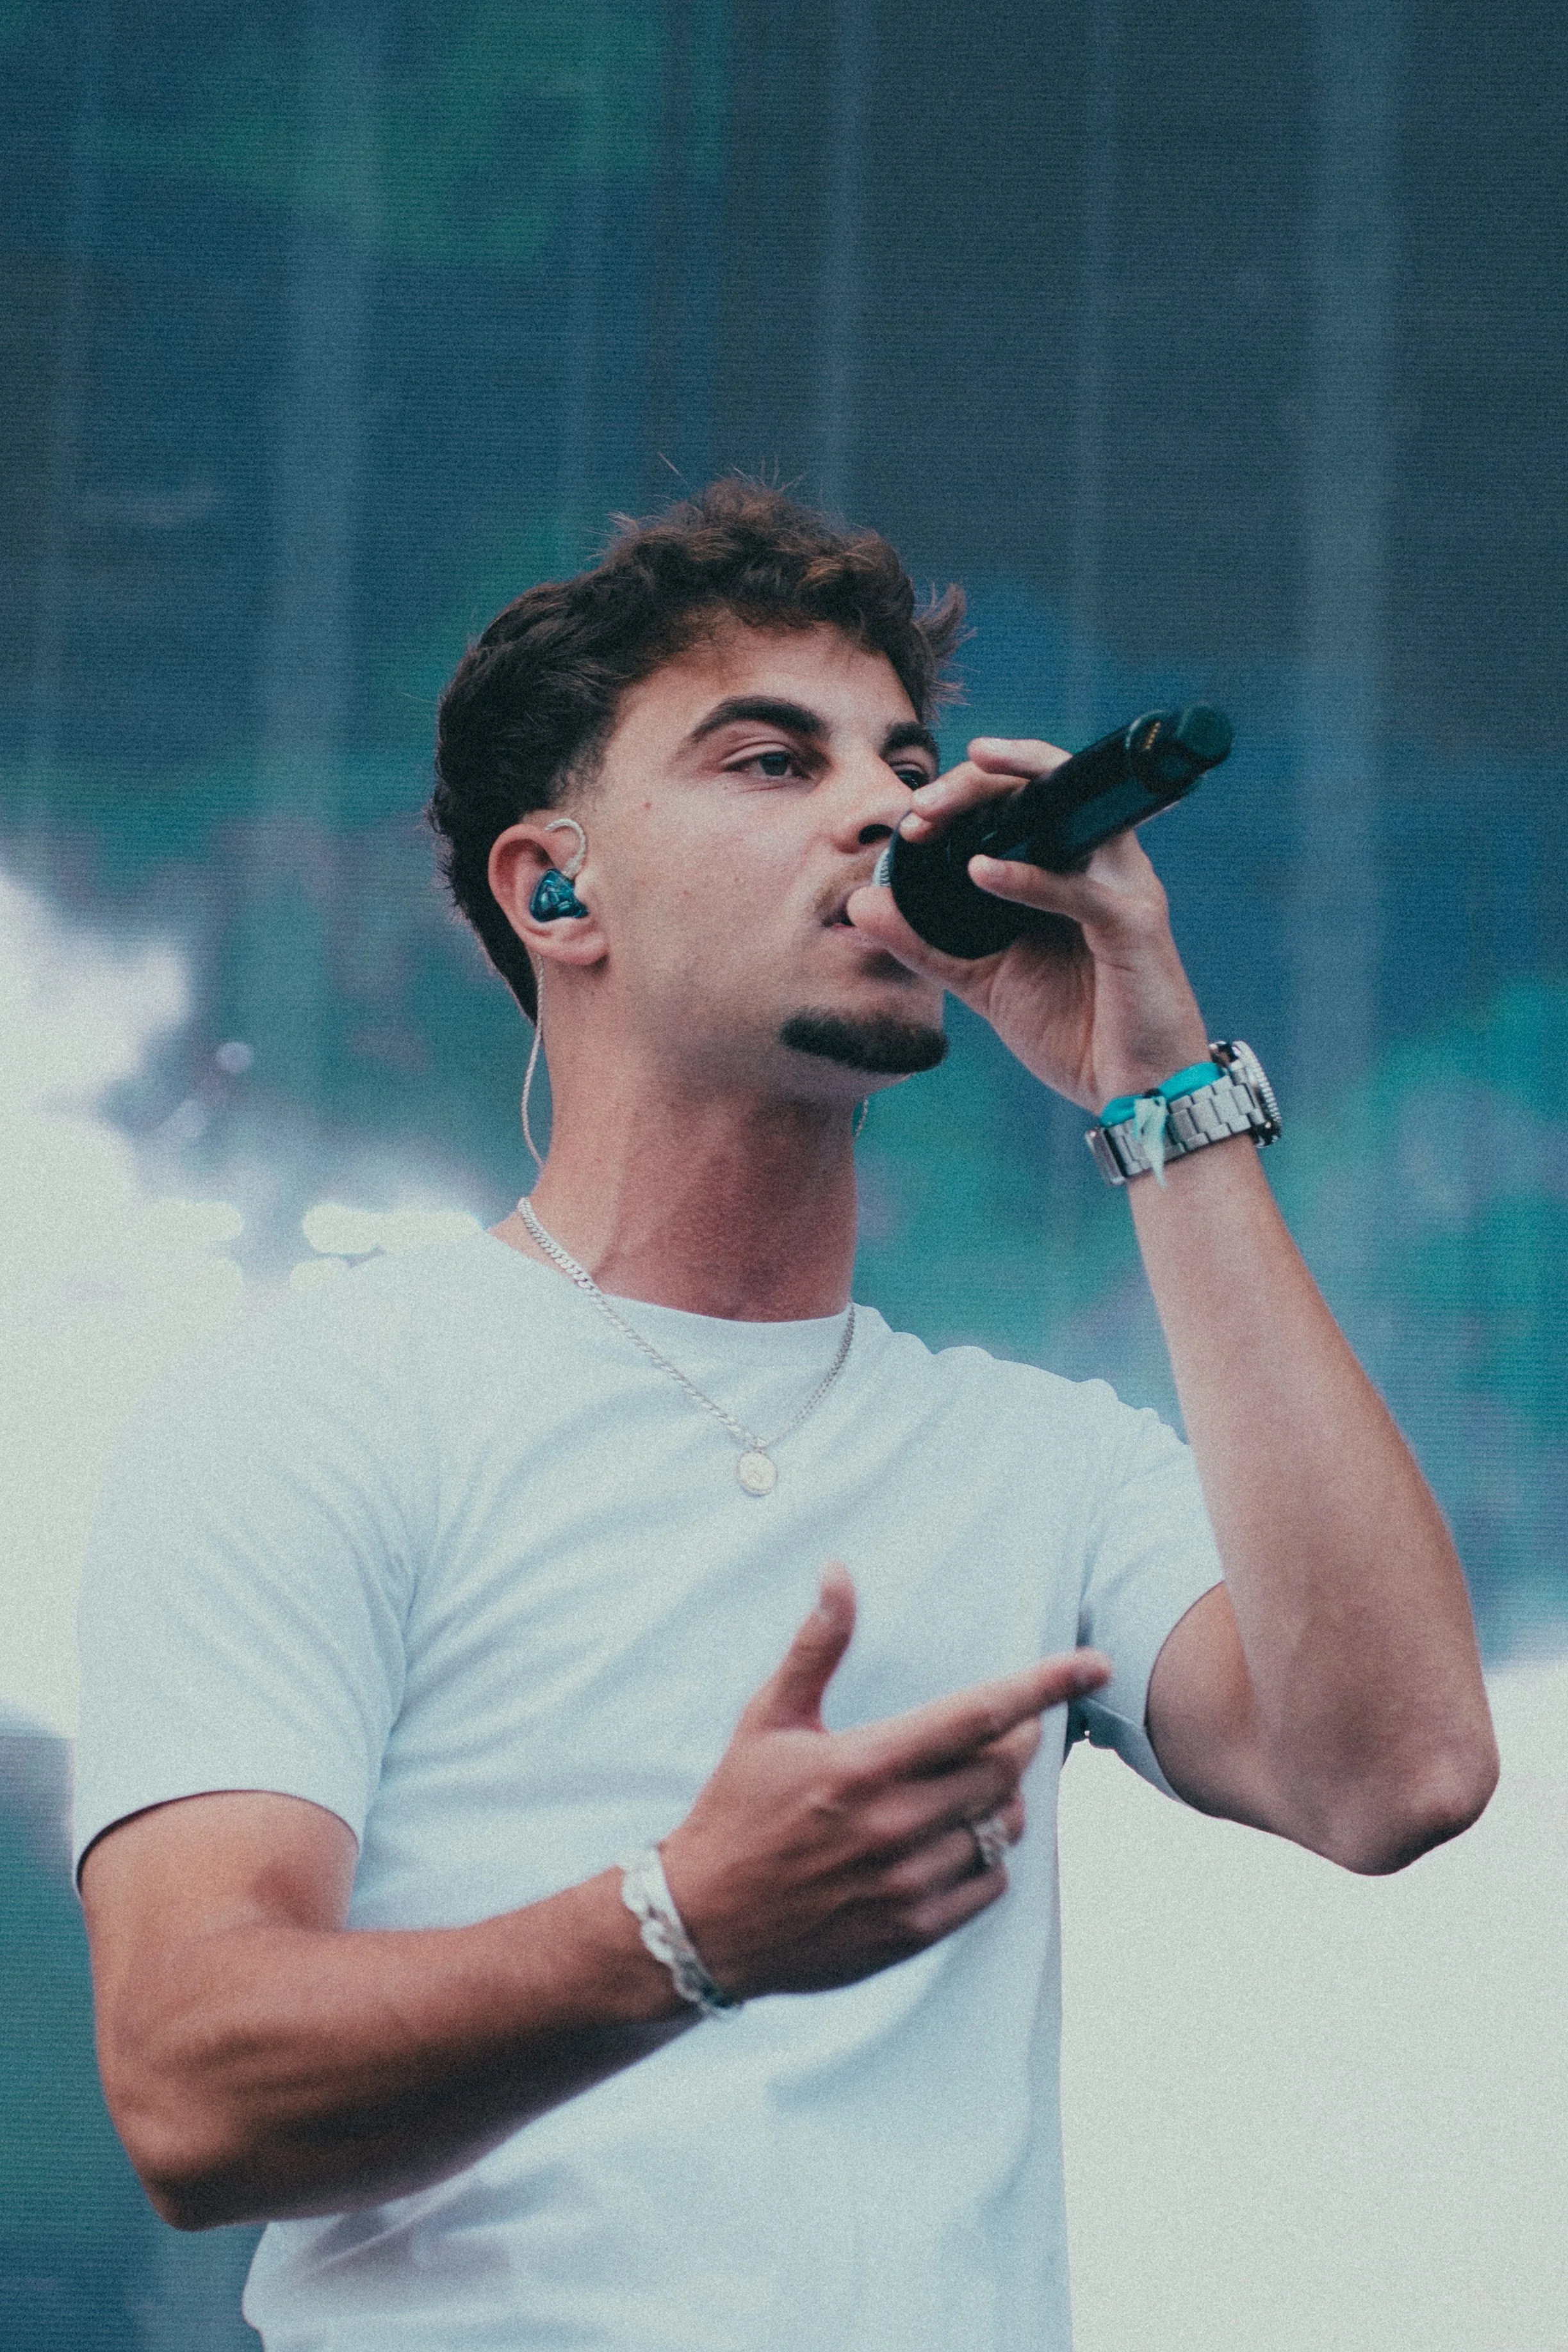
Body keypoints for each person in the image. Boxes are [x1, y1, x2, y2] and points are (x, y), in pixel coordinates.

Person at [75, 480, 1498, 2351]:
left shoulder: (1035, 1460)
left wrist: (1157, 1089)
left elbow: (1392, 1774)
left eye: (904, 763)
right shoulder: (325, 1409)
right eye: (770, 761)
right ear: (555, 884)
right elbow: (193, 2087)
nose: (883, 814)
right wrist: (689, 1928)